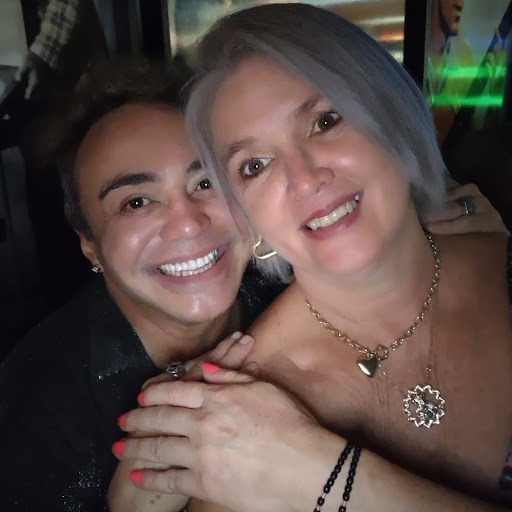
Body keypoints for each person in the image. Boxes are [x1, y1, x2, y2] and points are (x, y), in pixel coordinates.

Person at [113, 4, 512, 511]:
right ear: (244, 216)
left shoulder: (500, 254)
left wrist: (324, 474)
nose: (304, 179)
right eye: (254, 165)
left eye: (325, 121)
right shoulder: (239, 428)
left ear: (391, 117)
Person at [0, 58, 282, 511]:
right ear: (90, 244)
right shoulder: (33, 408)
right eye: (136, 202)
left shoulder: (302, 296)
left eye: (205, 182)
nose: (188, 223)